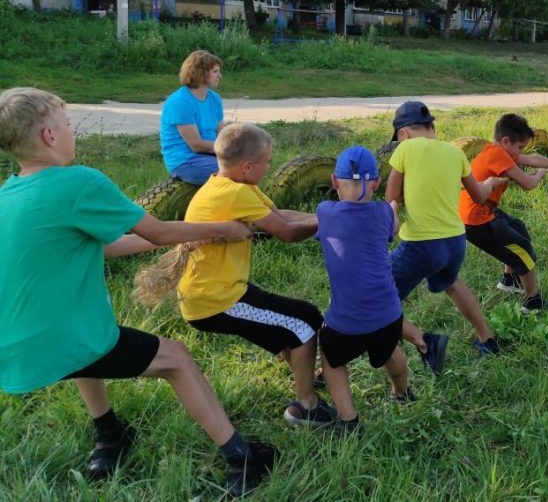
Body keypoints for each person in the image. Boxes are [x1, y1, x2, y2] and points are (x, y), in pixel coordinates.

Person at [0, 88, 275, 497]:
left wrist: (176, 243)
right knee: (176, 358)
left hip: (18, 346)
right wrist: (220, 228)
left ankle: (110, 433)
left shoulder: (9, 193)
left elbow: (102, 245)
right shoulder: (78, 182)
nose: (73, 131)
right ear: (49, 137)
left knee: (86, 345)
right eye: (68, 124)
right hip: (61, 339)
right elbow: (159, 228)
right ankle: (241, 456)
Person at [137, 123, 334, 429]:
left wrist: (325, 215)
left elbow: (280, 216)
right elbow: (286, 232)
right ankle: (305, 406)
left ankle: (303, 376)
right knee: (305, 320)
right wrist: (330, 223)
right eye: (267, 162)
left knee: (288, 321)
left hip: (222, 291)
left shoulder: (228, 185)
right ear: (247, 166)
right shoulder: (235, 194)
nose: (269, 167)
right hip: (216, 301)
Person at [385, 101, 504, 358]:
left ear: (403, 134)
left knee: (374, 297)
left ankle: (425, 342)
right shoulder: (455, 153)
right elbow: (480, 195)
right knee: (451, 282)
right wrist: (491, 182)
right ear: (431, 127)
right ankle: (487, 337)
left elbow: (391, 200)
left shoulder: (405, 150)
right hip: (455, 242)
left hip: (420, 246)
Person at [315, 146, 413, 430]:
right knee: (390, 351)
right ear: (377, 183)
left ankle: (349, 420)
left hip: (346, 324)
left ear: (334, 181)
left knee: (331, 359)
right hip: (390, 318)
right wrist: (393, 206)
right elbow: (393, 227)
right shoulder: (383, 212)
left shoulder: (325, 212)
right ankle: (402, 393)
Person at [459, 113, 548, 313]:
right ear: (505, 141)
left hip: (484, 213)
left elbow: (532, 159)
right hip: (477, 221)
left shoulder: (499, 150)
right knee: (524, 251)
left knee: (517, 228)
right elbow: (528, 184)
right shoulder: (498, 154)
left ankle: (510, 280)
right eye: (519, 147)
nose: (520, 153)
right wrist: (538, 177)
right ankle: (532, 302)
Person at [160, 50, 225, 185]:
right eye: (215, 71)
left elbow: (221, 133)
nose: (220, 75)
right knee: (232, 172)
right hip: (185, 159)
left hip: (210, 153)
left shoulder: (214, 98)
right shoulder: (180, 102)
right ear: (201, 73)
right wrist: (227, 148)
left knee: (247, 164)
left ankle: (266, 206)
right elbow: (196, 145)